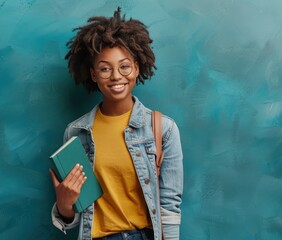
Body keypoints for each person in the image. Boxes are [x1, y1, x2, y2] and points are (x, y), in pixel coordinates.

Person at [49, 7, 183, 240]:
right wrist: (64, 204)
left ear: (137, 68)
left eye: (124, 66)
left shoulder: (163, 129)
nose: (116, 76)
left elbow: (169, 207)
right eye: (104, 69)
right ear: (93, 74)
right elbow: (75, 216)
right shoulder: (77, 133)